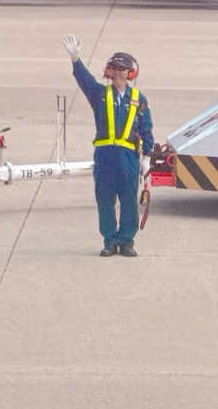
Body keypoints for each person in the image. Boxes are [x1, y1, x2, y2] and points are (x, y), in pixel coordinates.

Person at [62, 35, 154, 257]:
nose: (120, 72)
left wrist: (147, 156)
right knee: (104, 199)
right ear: (109, 72)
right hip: (105, 156)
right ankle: (110, 241)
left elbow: (146, 127)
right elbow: (85, 81)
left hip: (128, 158)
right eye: (115, 68)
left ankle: (127, 241)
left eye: (123, 69)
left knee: (129, 200)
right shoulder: (100, 94)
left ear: (130, 73)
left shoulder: (137, 98)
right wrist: (76, 60)